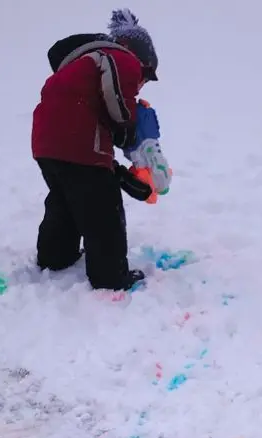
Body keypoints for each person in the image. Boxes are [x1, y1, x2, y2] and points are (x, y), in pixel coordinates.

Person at [30, 9, 160, 292]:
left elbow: (83, 119)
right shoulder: (119, 58)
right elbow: (115, 94)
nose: (141, 82)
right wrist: (126, 125)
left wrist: (116, 171)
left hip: (47, 144)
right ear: (136, 54)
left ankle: (55, 256)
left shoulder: (80, 65)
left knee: (66, 201)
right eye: (146, 74)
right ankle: (111, 277)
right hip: (79, 143)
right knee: (103, 212)